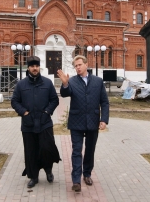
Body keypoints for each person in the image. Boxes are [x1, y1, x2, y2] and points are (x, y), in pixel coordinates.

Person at [57, 55, 109, 192]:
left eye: (79, 65)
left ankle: (87, 174)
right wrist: (64, 84)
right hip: (76, 121)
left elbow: (104, 102)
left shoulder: (98, 81)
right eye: (75, 66)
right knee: (76, 151)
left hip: (93, 120)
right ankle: (76, 181)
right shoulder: (72, 81)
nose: (77, 67)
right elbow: (65, 94)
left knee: (90, 150)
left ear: (86, 64)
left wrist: (104, 119)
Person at [11, 56, 60, 188]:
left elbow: (54, 100)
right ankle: (33, 176)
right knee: (31, 151)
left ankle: (48, 171)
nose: (34, 68)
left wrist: (47, 112)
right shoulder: (21, 84)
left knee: (46, 148)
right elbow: (14, 101)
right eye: (32, 66)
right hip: (28, 124)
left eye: (36, 66)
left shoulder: (47, 83)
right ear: (28, 68)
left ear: (39, 67)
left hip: (45, 122)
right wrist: (23, 112)